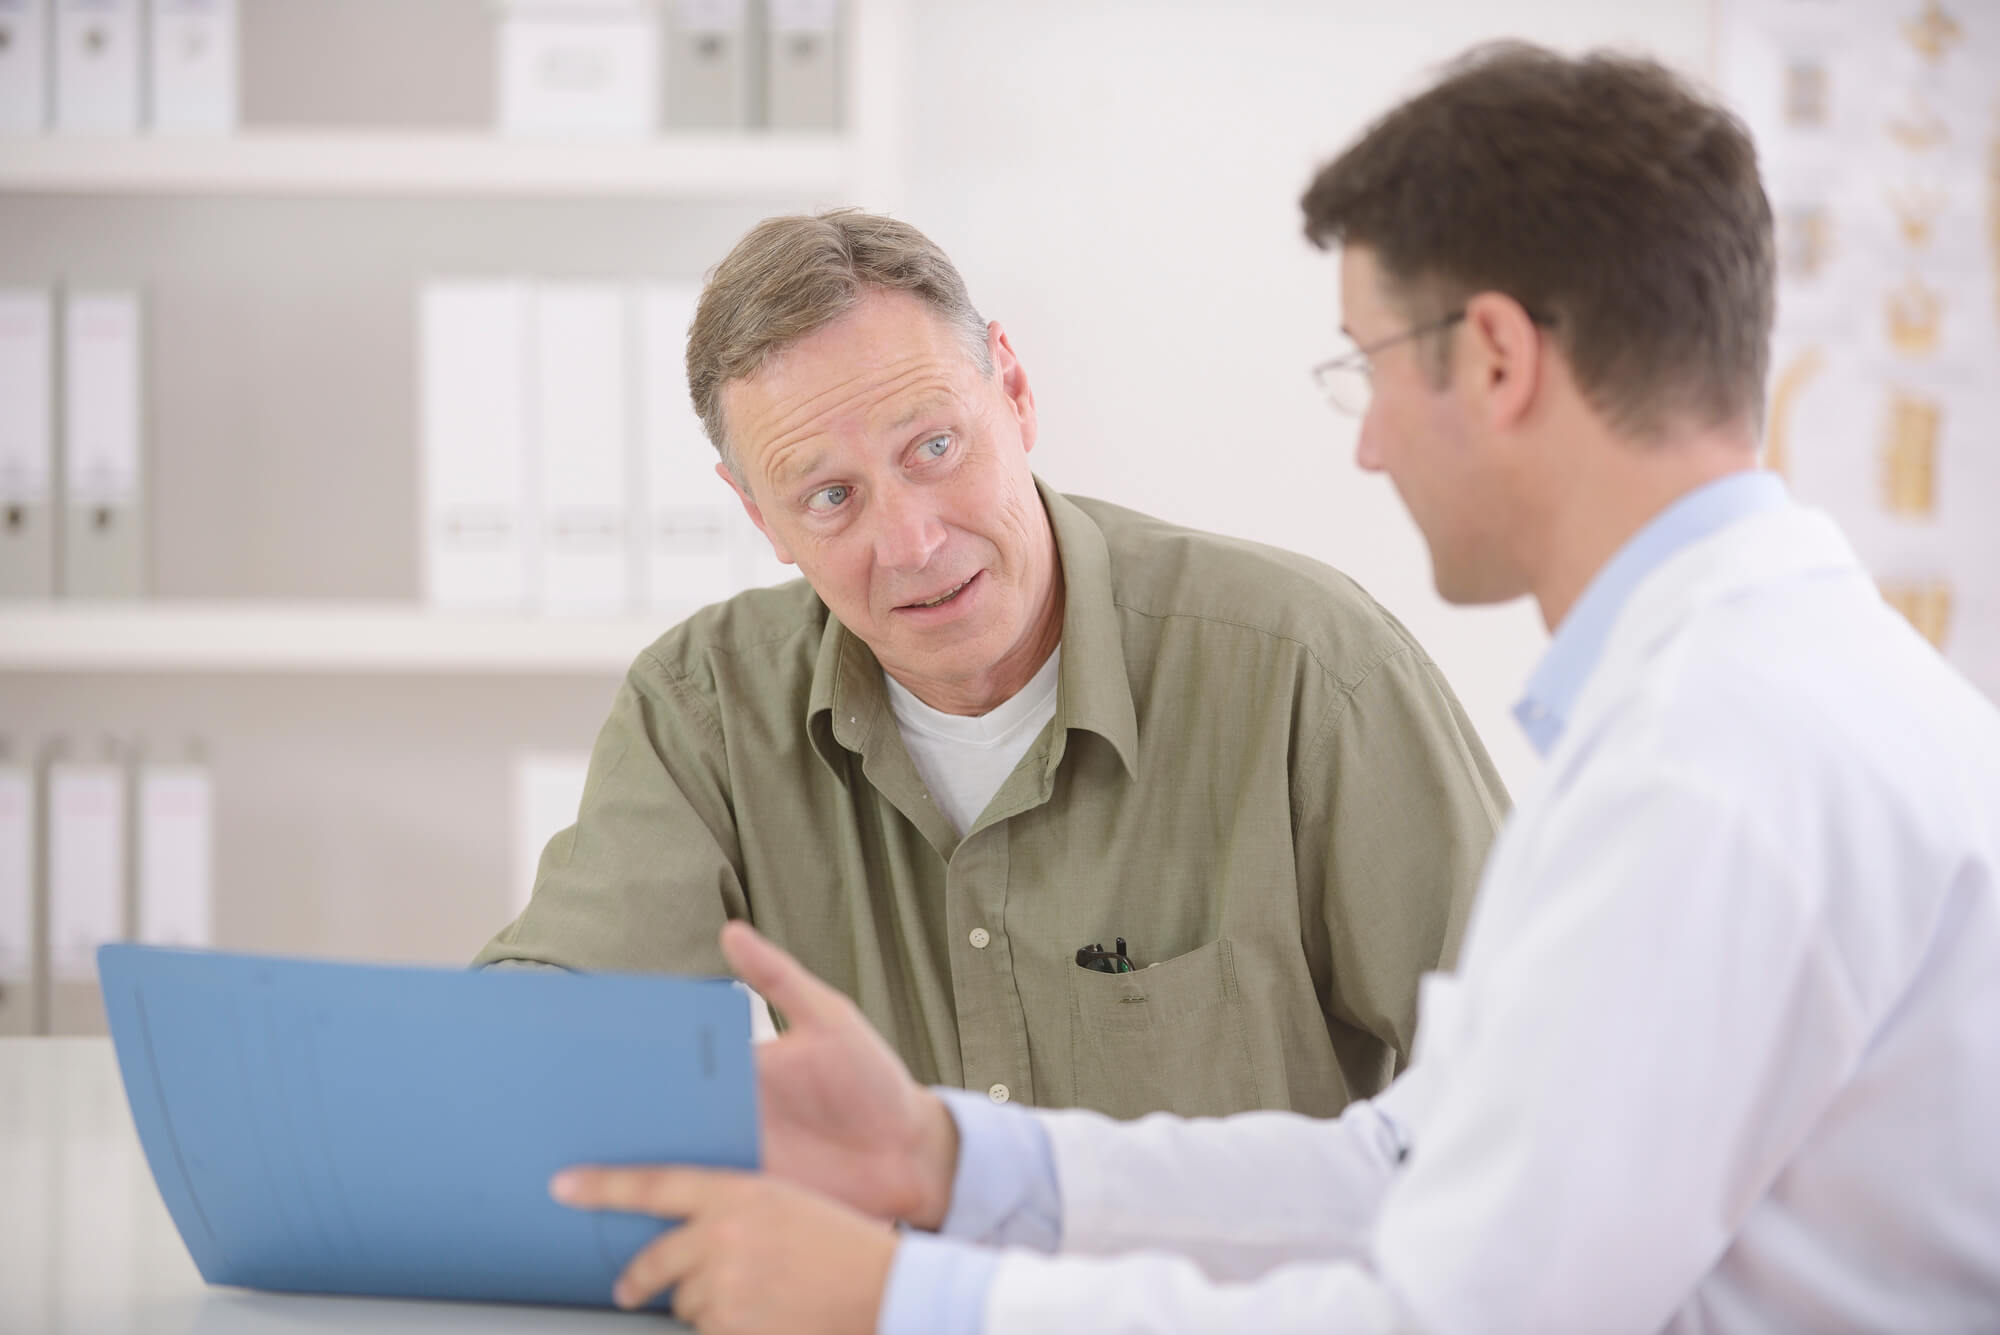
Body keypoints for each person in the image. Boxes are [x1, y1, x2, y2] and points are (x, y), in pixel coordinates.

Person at [545, 43, 2000, 1334]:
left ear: (1494, 357)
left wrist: (914, 1296)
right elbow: (1414, 1162)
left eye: (1367, 366)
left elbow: (1455, 1308)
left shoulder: (1713, 765)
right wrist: (958, 1161)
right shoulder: (1777, 697)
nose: (1366, 444)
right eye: (832, 494)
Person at [476, 211, 1509, 1120]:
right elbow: (549, 1031)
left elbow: (1537, 1077)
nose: (913, 542)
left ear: (1010, 390)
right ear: (760, 518)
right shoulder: (707, 709)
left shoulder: (1305, 672)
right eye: (829, 497)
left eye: (932, 447)